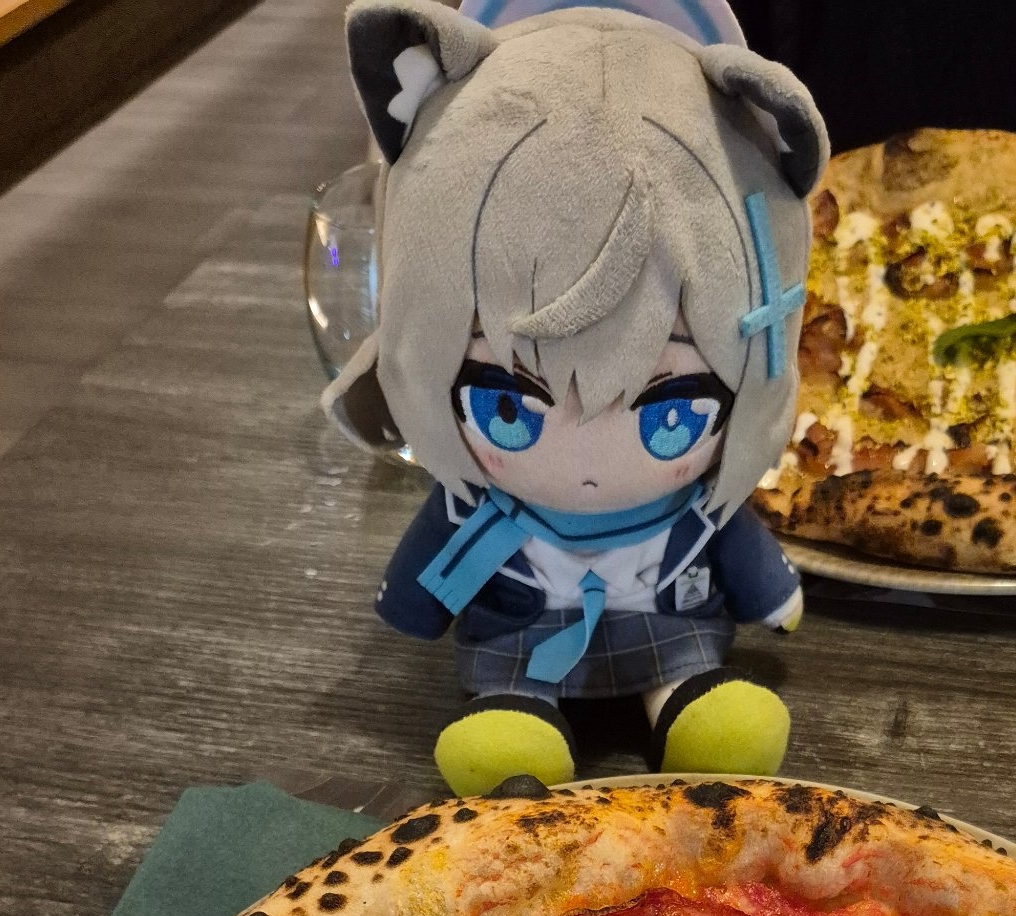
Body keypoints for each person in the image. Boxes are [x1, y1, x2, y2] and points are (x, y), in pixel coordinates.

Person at [329, 0, 829, 797]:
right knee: (505, 737)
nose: (589, 462)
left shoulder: (697, 511)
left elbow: (738, 546)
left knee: (716, 719)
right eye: (508, 410)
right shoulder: (475, 506)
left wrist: (774, 594)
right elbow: (425, 572)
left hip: (674, 641)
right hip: (517, 651)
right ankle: (518, 714)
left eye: (672, 416)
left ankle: (687, 703)